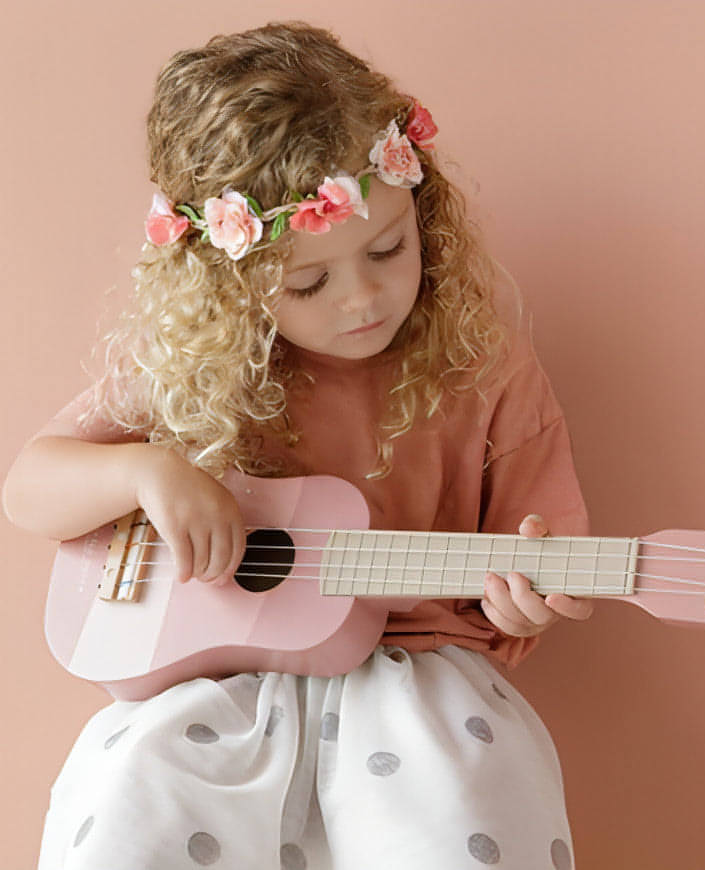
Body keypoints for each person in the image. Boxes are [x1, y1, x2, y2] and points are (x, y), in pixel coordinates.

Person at [3, 21, 592, 870]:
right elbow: (28, 489)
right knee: (129, 813)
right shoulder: (193, 366)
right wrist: (147, 469)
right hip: (210, 692)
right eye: (308, 282)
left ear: (419, 207)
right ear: (229, 285)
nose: (362, 299)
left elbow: (549, 548)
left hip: (416, 684)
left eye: (389, 248)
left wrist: (529, 597)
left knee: (460, 819)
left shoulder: (482, 361)